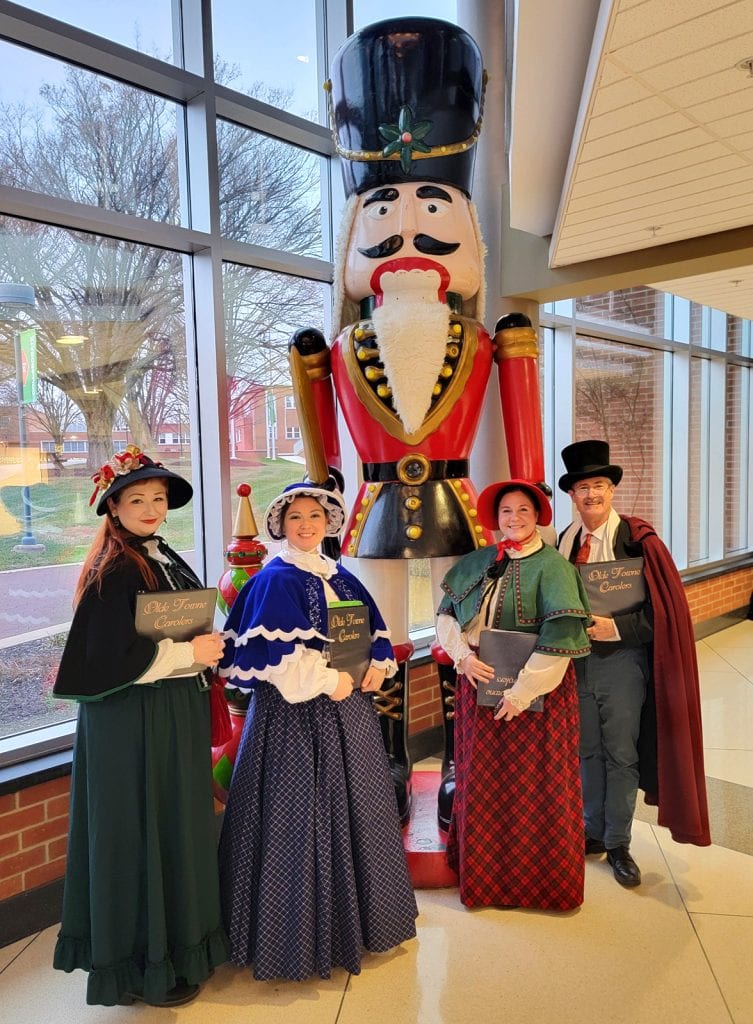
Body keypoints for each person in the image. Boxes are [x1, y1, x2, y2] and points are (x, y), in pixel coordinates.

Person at [289, 17, 547, 818]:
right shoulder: (331, 347)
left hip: (456, 508)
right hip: (367, 511)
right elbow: (322, 442)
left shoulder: (491, 339)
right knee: (370, 635)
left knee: (463, 635)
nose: (407, 231)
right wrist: (321, 489)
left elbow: (519, 430)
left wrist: (528, 501)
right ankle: (386, 767)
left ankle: (463, 760)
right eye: (384, 212)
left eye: (433, 203)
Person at [217, 483, 418, 981]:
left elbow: (372, 636)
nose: (306, 525)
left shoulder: (341, 576)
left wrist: (376, 668)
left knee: (359, 813)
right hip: (295, 721)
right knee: (297, 818)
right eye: (296, 518)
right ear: (280, 525)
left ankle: (362, 923)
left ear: (329, 523)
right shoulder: (272, 581)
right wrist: (332, 680)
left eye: (315, 516)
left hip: (347, 713)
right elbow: (283, 666)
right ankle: (294, 939)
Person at [52, 445, 228, 1007]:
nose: (151, 508)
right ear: (114, 507)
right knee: (140, 828)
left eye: (158, 499)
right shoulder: (116, 570)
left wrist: (205, 649)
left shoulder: (162, 555)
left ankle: (176, 949)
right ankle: (142, 961)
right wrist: (189, 654)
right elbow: (107, 660)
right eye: (138, 499)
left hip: (169, 713)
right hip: (131, 722)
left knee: (172, 822)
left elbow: (180, 624)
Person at [557, 439, 711, 889]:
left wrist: (618, 629)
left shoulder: (638, 541)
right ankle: (592, 831)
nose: (592, 496)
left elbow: (666, 615)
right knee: (586, 749)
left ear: (612, 490)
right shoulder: (566, 542)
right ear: (572, 495)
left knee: (620, 752)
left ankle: (619, 841)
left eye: (600, 486)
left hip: (622, 663)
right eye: (583, 488)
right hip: (576, 663)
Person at [436, 480, 590, 911]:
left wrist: (522, 693)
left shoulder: (556, 567)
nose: (515, 519)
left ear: (537, 515)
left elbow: (559, 639)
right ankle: (486, 882)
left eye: (524, 510)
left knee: (536, 790)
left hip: (538, 698)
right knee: (483, 784)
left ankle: (540, 887)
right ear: (495, 518)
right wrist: (463, 658)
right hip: (479, 686)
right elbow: (446, 616)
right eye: (506, 511)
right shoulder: (479, 562)